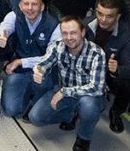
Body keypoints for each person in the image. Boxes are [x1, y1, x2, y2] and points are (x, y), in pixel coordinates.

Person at [28, 16, 106, 151]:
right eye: (65, 33)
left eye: (73, 33)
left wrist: (64, 92)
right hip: (63, 90)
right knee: (35, 118)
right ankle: (72, 114)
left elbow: (96, 88)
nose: (69, 37)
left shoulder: (97, 53)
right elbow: (44, 63)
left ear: (82, 32)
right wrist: (39, 70)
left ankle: (84, 137)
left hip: (88, 96)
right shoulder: (58, 45)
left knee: (88, 107)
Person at [0, 0, 61, 119]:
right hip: (20, 72)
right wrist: (2, 35)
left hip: (43, 72)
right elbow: (5, 28)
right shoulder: (14, 16)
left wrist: (20, 62)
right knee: (11, 110)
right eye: (26, 4)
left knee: (42, 84)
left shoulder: (55, 26)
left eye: (34, 4)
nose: (30, 8)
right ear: (20, 6)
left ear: (42, 7)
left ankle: (36, 99)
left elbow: (51, 57)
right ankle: (27, 93)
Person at [86, 0, 130, 133]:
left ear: (118, 17)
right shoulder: (85, 26)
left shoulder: (127, 36)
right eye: (100, 14)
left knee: (128, 84)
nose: (103, 19)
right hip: (87, 70)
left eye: (109, 16)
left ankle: (116, 112)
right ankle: (75, 111)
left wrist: (117, 70)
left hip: (111, 74)